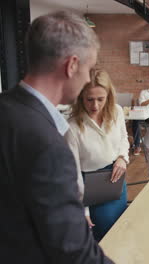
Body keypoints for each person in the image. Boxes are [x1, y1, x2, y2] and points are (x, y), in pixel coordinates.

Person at [0, 11, 113, 263]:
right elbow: (73, 250)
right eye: (88, 68)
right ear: (71, 65)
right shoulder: (48, 145)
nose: (87, 78)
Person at [65, 69, 129, 242]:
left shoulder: (117, 111)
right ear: (80, 97)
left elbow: (124, 139)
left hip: (117, 178)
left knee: (120, 226)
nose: (95, 106)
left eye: (101, 99)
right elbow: (73, 173)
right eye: (89, 99)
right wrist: (83, 210)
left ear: (109, 96)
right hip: (89, 186)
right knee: (105, 233)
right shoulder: (72, 127)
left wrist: (123, 157)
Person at [131, 77, 149, 155]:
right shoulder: (143, 92)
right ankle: (137, 146)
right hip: (143, 116)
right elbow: (141, 104)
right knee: (135, 121)